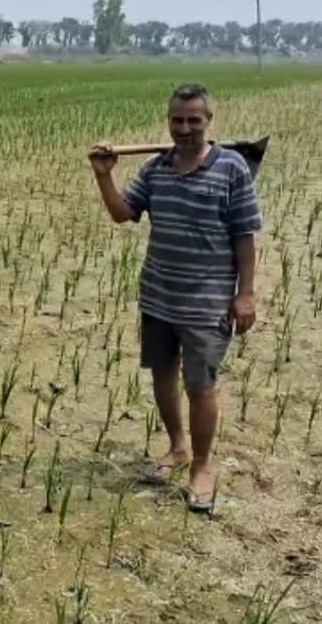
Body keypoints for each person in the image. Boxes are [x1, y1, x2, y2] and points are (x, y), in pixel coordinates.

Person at [89, 83, 261, 513]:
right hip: (159, 295)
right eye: (177, 120)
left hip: (208, 302)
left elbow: (245, 235)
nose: (184, 128)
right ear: (168, 122)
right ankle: (178, 446)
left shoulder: (232, 169)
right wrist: (104, 175)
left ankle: (202, 466)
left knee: (200, 385)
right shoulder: (156, 169)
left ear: (208, 122)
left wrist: (247, 294)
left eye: (193, 120)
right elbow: (123, 213)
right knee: (162, 374)